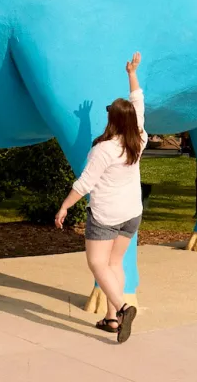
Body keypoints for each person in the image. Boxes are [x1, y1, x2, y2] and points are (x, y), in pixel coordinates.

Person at [55, 52, 144, 343]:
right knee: (114, 264)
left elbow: (85, 184)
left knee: (97, 264)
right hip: (131, 213)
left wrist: (64, 208)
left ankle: (123, 308)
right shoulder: (139, 138)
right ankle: (110, 320)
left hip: (106, 215)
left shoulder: (104, 149)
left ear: (113, 120)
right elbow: (139, 103)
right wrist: (131, 73)